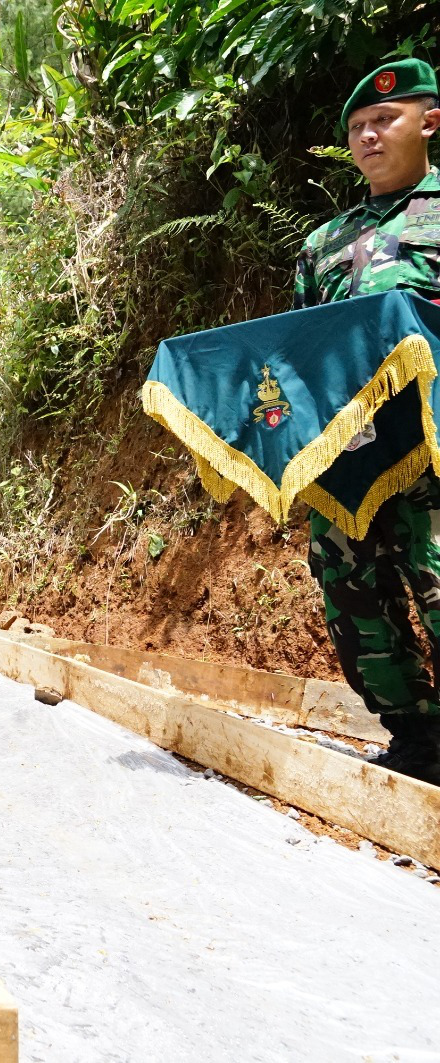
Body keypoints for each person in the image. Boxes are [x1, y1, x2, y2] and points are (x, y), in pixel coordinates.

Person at [293, 59, 440, 785]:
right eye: (357, 128)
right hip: (348, 461)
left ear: (429, 121)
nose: (370, 135)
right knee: (357, 604)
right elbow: (299, 353)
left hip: (435, 453)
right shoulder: (324, 241)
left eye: (386, 119)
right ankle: (417, 739)